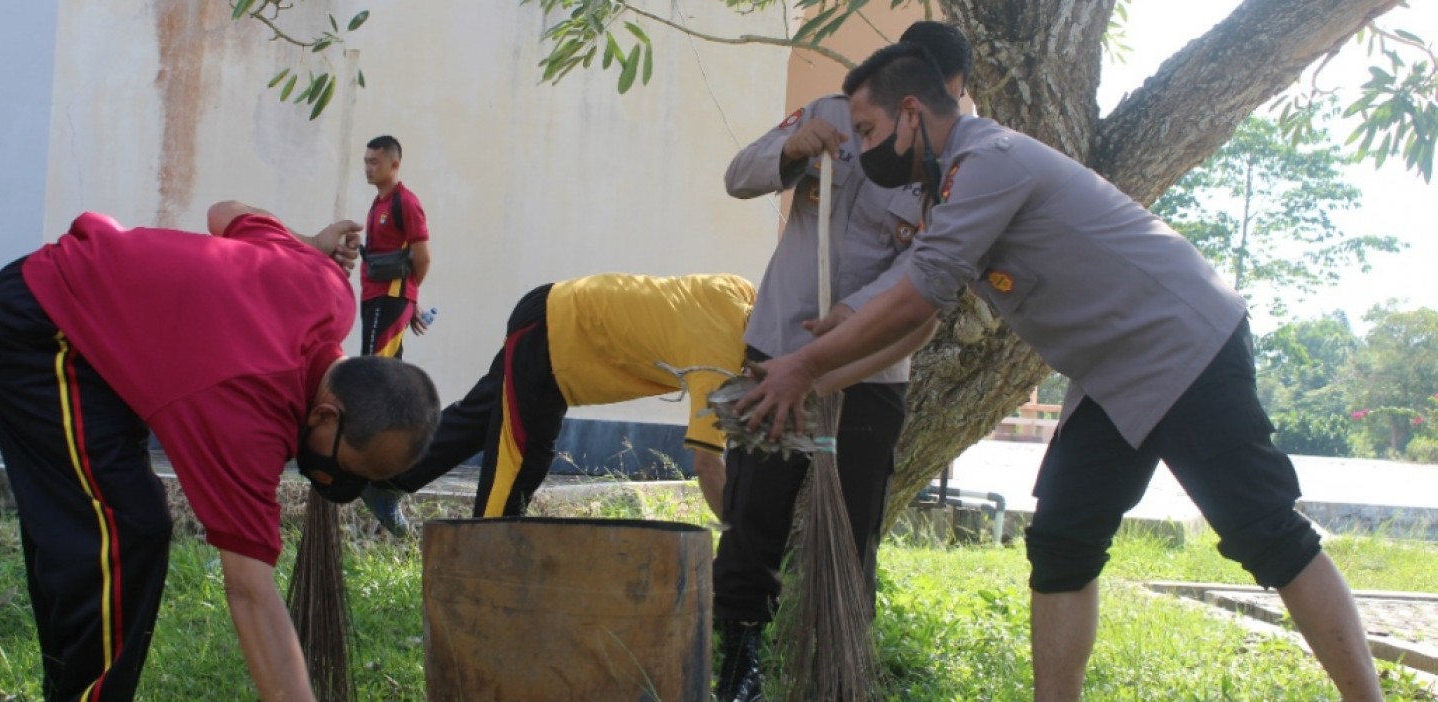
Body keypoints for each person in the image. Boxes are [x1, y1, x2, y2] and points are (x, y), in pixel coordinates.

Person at [737, 43, 1384, 702]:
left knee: (1267, 533)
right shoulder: (948, 191)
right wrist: (821, 373)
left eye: (868, 130)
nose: (862, 147)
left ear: (910, 113)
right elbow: (919, 312)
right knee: (1062, 543)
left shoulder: (989, 161)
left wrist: (803, 367)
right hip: (1112, 371)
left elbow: (918, 296)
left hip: (1182, 345)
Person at [0, 201, 441, 701]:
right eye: (348, 466)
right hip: (40, 331)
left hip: (90, 336)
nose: (340, 481)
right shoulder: (248, 416)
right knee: (122, 533)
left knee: (92, 525)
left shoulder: (325, 285)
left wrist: (309, 242)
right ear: (326, 415)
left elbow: (224, 213)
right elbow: (250, 593)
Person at [710, 21, 972, 702]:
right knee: (754, 509)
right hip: (779, 349)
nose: (921, 114)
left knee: (853, 528)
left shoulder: (961, 162)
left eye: (940, 99)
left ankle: (836, 666)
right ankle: (739, 655)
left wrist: (850, 326)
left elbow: (926, 274)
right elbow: (739, 175)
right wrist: (791, 150)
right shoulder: (832, 112)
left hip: (871, 370)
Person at [360, 273, 758, 532]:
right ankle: (483, 563)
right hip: (552, 342)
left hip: (551, 308)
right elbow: (707, 465)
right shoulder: (717, 366)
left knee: (480, 418)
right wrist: (742, 538)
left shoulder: (740, 292)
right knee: (522, 457)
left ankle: (389, 479)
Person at [360, 135, 432, 358]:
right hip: (372, 295)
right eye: (366, 161)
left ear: (394, 165)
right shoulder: (378, 203)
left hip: (389, 298)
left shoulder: (406, 202)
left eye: (374, 162)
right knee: (382, 366)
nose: (368, 168)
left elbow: (423, 258)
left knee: (374, 369)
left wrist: (408, 296)